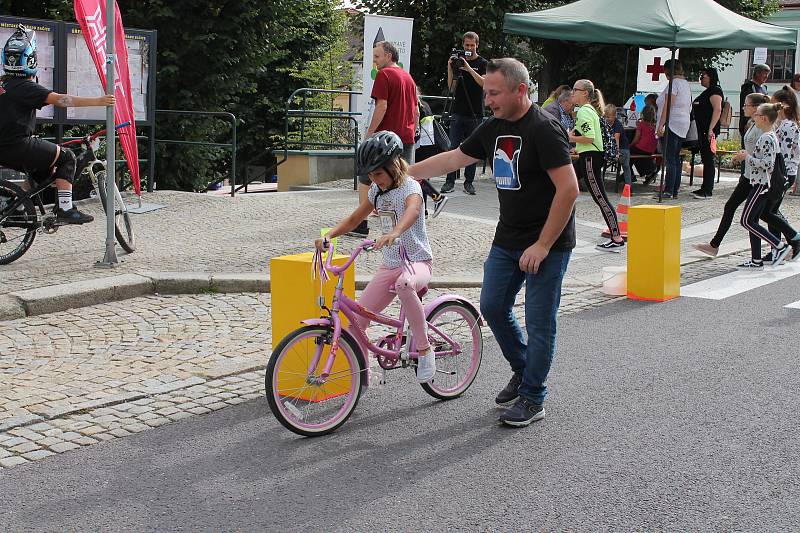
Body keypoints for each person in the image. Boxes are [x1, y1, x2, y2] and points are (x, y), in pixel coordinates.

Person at [409, 58, 579, 427]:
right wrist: (406, 173)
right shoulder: (494, 126)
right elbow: (455, 158)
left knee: (539, 322)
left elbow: (569, 191)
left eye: (494, 93)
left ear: (521, 90)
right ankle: (523, 370)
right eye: (486, 92)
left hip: (548, 242)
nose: (488, 100)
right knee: (493, 306)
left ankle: (534, 397)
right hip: (509, 237)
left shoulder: (545, 128)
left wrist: (543, 246)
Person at [315, 131, 436, 382]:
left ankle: (425, 350)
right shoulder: (376, 192)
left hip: (417, 263)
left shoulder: (410, 188)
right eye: (370, 176)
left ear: (393, 166)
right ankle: (363, 378)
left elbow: (413, 211)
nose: (375, 179)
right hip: (390, 265)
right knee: (356, 323)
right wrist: (330, 235)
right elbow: (354, 218)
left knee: (404, 284)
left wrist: (395, 232)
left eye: (378, 174)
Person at [0, 25, 114, 224]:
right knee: (67, 157)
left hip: (4, 148)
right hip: (17, 146)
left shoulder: (3, 85)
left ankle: (15, 207)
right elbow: (62, 100)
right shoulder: (26, 87)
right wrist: (97, 101)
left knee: (41, 170)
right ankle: (65, 208)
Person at [350, 41, 419, 238]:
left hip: (386, 140)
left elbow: (382, 106)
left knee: (365, 177)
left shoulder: (385, 75)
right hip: (406, 136)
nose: (375, 61)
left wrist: (370, 133)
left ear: (389, 55)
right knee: (403, 179)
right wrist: (412, 130)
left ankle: (361, 224)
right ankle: (403, 222)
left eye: (377, 57)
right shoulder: (408, 77)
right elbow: (415, 110)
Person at [694, 93, 770, 258]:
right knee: (732, 208)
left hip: (757, 178)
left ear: (756, 107)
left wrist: (746, 157)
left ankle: (781, 244)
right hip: (748, 175)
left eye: (746, 105)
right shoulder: (752, 123)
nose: (743, 108)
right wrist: (741, 156)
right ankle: (715, 245)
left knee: (757, 217)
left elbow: (765, 156)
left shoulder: (762, 127)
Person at [731, 102, 792, 270]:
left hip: (761, 184)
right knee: (751, 220)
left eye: (757, 114)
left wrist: (747, 157)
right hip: (761, 183)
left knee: (747, 221)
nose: (754, 117)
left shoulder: (766, 137)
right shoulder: (770, 135)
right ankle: (756, 259)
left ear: (764, 118)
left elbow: (767, 164)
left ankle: (779, 246)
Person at [569, 79, 624, 251]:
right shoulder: (588, 110)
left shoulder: (585, 111)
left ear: (585, 93)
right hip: (587, 156)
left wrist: (571, 138)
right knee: (564, 186)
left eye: (575, 90)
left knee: (600, 197)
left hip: (590, 158)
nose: (572, 93)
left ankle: (616, 238)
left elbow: (590, 137)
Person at [441, 31, 488, 195]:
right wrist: (450, 67)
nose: (469, 48)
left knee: (472, 149)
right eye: (466, 45)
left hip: (475, 112)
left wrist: (468, 68)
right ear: (463, 45)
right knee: (452, 147)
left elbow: (484, 83)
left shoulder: (483, 63)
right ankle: (449, 181)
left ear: (477, 45)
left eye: (472, 45)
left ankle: (469, 182)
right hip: (458, 111)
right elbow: (452, 87)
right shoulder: (458, 61)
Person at [763, 87, 800, 260]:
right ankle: (777, 249)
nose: (771, 106)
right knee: (772, 210)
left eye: (773, 103)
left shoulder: (787, 126)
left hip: (782, 173)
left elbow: (782, 154)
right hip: (784, 172)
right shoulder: (785, 124)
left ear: (783, 105)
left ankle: (793, 238)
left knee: (766, 211)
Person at [655, 59, 692, 199]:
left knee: (670, 158)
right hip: (683, 124)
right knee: (675, 158)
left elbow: (668, 105)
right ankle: (674, 189)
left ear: (667, 71)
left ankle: (669, 189)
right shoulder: (685, 84)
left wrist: (661, 124)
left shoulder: (674, 83)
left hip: (672, 123)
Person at [691, 67, 724, 199]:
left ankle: (707, 190)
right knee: (705, 159)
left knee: (708, 160)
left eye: (703, 76)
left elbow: (717, 109)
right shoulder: (707, 92)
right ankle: (704, 187)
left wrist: (711, 129)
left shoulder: (715, 91)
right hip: (702, 130)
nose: (701, 79)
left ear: (710, 77)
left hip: (707, 131)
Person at [415, 93, 449, 218]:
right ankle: (423, 209)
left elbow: (415, 122)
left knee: (417, 176)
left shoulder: (416, 104)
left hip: (422, 144)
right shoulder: (424, 103)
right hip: (429, 143)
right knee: (421, 176)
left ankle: (437, 198)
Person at [738, 64, 770, 147]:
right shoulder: (748, 87)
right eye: (764, 73)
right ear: (757, 73)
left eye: (767, 74)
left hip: (762, 122)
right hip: (750, 122)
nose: (766, 76)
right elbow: (746, 106)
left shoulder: (764, 88)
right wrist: (747, 122)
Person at [629, 105, 658, 184]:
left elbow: (636, 139)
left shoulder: (641, 124)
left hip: (641, 148)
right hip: (651, 149)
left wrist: (630, 145)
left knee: (626, 153)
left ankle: (630, 174)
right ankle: (648, 172)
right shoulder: (656, 125)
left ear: (643, 113)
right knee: (633, 156)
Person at [604, 103, 632, 184]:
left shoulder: (617, 125)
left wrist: (616, 152)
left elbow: (616, 138)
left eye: (608, 117)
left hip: (623, 148)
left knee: (626, 166)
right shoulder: (606, 123)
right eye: (605, 117)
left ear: (614, 116)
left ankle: (628, 185)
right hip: (611, 147)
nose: (607, 119)